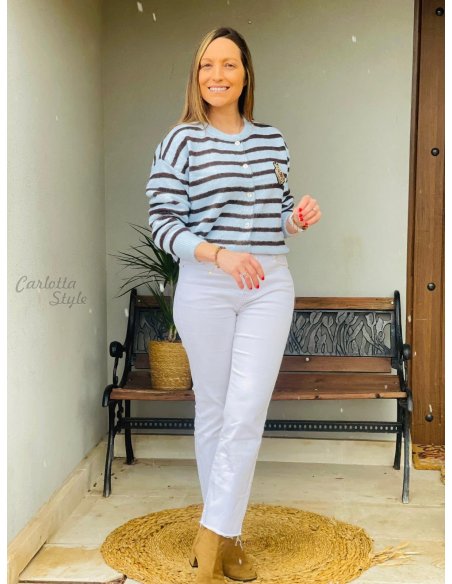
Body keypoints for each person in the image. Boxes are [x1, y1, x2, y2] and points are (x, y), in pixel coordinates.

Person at [146, 26, 322, 584]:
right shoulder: (181, 141)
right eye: (207, 65)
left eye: (228, 64)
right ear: (196, 76)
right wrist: (218, 255)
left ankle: (210, 537)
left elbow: (277, 211)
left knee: (245, 412)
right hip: (207, 283)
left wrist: (296, 219)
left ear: (246, 75)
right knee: (215, 411)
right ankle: (231, 537)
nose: (217, 75)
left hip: (268, 283)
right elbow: (162, 223)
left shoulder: (271, 140)